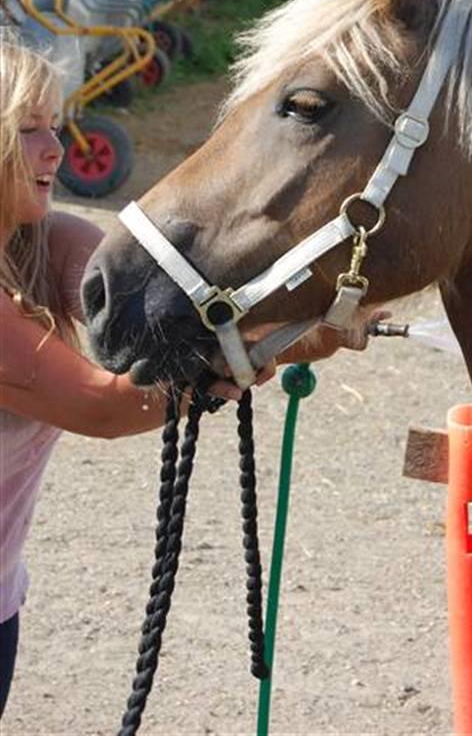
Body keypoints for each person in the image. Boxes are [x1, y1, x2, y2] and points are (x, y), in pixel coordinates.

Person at [0, 36, 381, 717]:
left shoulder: (44, 242)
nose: (54, 148)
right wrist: (224, 368)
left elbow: (189, 314)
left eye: (54, 125)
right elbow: (100, 405)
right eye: (28, 130)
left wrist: (317, 320)